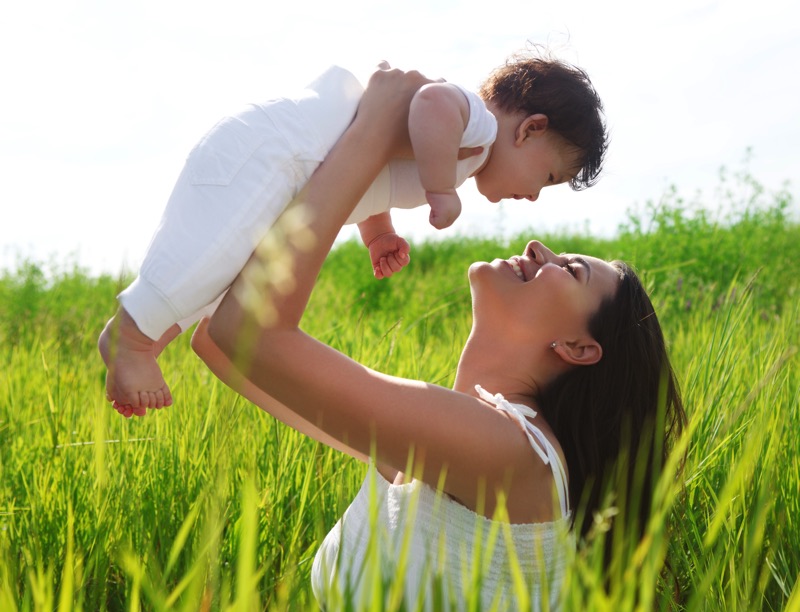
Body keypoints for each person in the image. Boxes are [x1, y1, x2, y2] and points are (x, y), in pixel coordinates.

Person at [189, 63, 686, 612]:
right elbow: (221, 344)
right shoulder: (432, 458)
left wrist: (372, 133)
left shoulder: (508, 451)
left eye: (570, 271)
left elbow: (248, 338)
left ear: (577, 346)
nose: (537, 246)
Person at [99, 47, 608, 418]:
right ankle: (131, 339)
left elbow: (378, 166)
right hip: (275, 153)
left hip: (286, 174)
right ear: (530, 128)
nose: (536, 196)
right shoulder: (475, 124)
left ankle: (143, 341)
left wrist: (378, 232)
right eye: (547, 178)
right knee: (208, 256)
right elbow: (429, 103)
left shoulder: (463, 151)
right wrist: (439, 191)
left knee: (216, 277)